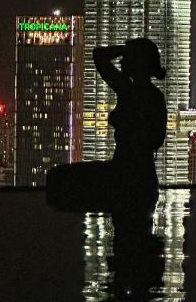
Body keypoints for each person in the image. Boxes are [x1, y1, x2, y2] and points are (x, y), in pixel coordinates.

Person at [46, 38, 167, 212]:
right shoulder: (134, 91)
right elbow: (99, 56)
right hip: (131, 171)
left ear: (137, 62)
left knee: (59, 178)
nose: (123, 61)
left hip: (130, 175)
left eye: (127, 58)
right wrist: (127, 50)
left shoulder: (136, 93)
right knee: (59, 178)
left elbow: (99, 56)